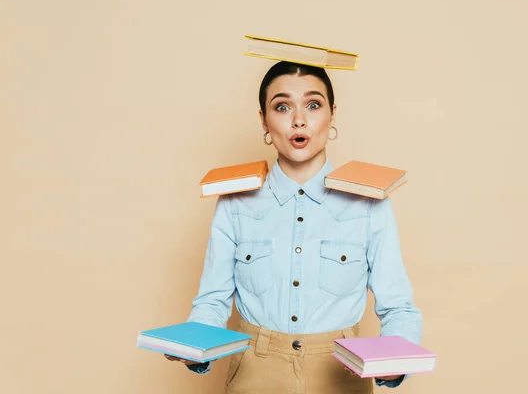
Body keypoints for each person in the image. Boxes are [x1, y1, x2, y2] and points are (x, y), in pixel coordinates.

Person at [165, 61, 423, 393]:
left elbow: (398, 306)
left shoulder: (369, 202)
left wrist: (395, 361)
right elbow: (213, 301)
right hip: (254, 373)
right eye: (282, 106)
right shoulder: (235, 201)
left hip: (339, 373)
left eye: (313, 104)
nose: (298, 120)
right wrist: (193, 348)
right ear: (263, 120)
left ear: (332, 114)